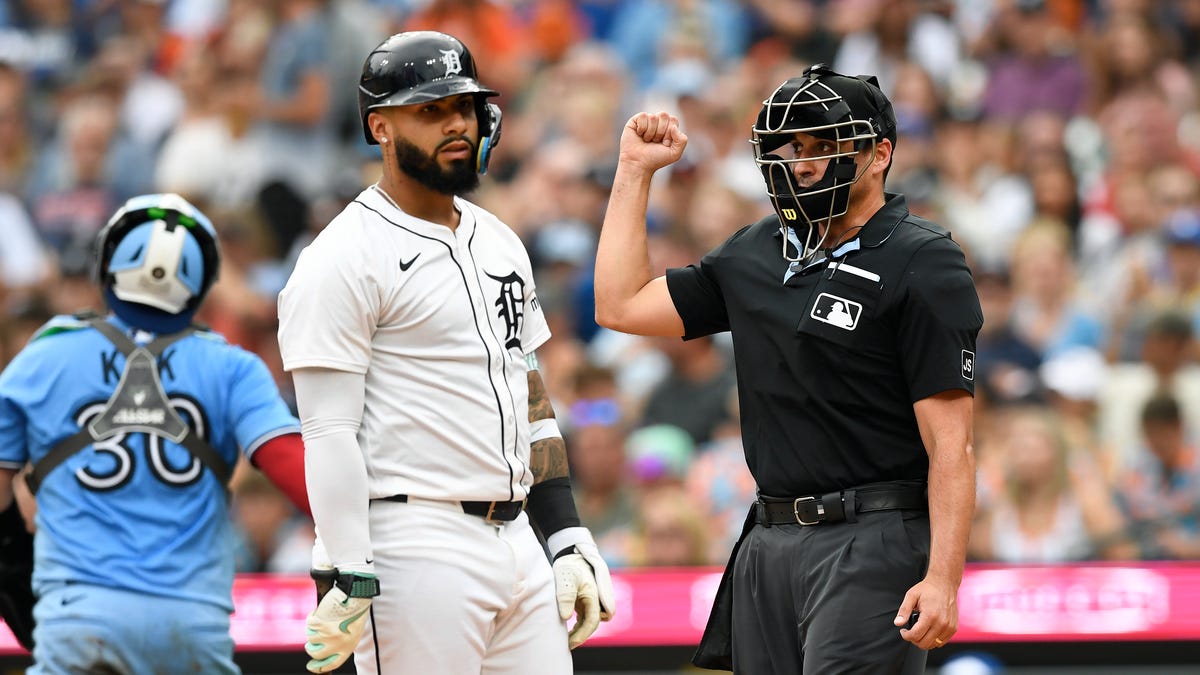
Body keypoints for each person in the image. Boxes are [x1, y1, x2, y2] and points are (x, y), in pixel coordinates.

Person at [594, 63, 983, 673]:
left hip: (873, 534)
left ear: (878, 154)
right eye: (791, 146)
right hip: (767, 537)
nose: (801, 162)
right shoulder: (754, 250)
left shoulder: (923, 259)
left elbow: (951, 445)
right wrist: (634, 172)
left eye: (823, 146)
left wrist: (943, 578)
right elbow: (620, 305)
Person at [276, 30, 615, 675]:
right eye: (428, 110)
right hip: (414, 541)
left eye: (463, 105)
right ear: (380, 127)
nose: (455, 123)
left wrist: (566, 533)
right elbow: (326, 428)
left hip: (518, 537)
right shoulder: (342, 256)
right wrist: (347, 566)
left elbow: (528, 392)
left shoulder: (499, 239)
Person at [0, 192, 310, 672]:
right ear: (202, 282)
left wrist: (12, 561)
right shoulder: (233, 367)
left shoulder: (46, 355)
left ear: (105, 268)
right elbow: (294, 466)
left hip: (77, 620)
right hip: (190, 625)